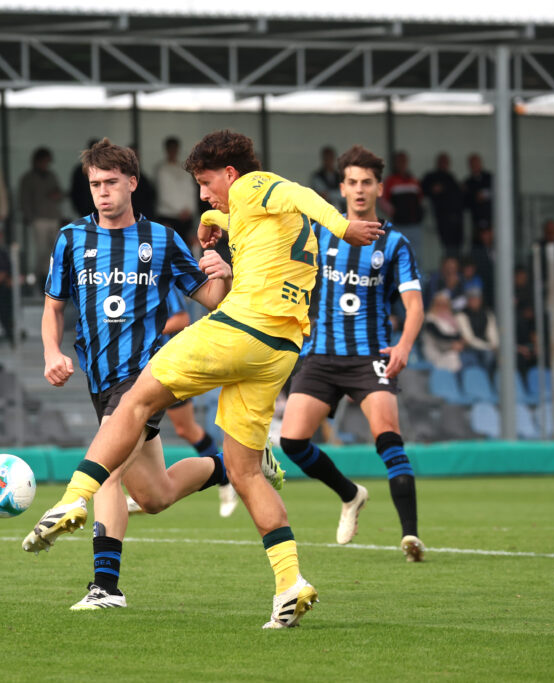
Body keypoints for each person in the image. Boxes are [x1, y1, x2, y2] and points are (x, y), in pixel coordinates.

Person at [23, 130, 381, 628]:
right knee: (233, 474)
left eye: (206, 184)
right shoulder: (251, 212)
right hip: (280, 348)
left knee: (134, 402)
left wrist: (346, 228)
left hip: (239, 328)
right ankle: (290, 584)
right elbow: (245, 220)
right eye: (94, 183)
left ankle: (72, 503)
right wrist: (216, 226)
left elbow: (297, 196)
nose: (202, 195)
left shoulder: (256, 186)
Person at [29, 138, 238, 611]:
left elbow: (209, 299)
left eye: (110, 183)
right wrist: (49, 353)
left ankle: (106, 588)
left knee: (104, 471)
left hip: (146, 376)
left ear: (132, 183)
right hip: (99, 380)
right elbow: (52, 307)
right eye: (94, 184)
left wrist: (223, 269)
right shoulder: (70, 239)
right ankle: (238, 465)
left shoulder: (160, 239)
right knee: (156, 494)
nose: (102, 192)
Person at [278, 144, 425, 559]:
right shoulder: (320, 231)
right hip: (321, 355)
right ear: (341, 188)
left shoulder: (395, 244)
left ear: (379, 187)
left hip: (370, 357)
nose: (359, 190)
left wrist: (404, 346)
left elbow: (414, 306)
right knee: (291, 442)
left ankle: (410, 536)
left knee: (389, 440)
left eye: (367, 182)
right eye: (352, 182)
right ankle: (349, 494)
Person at [147, 289, 239, 518]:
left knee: (185, 428)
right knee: (137, 424)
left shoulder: (159, 280)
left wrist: (143, 330)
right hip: (136, 367)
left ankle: (229, 473)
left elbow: (182, 319)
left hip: (165, 365)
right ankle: (134, 488)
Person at [18, 147, 63, 286]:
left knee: (55, 250)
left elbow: (60, 194)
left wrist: (57, 195)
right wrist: (29, 216)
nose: (46, 164)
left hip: (53, 217)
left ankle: (51, 277)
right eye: (44, 161)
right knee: (41, 251)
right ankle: (40, 279)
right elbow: (24, 199)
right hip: (38, 218)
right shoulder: (28, 178)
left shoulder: (51, 175)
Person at [153, 136, 196, 245]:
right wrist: (179, 211)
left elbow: (190, 190)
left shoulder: (184, 169)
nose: (173, 151)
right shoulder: (161, 169)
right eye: (170, 148)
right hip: (168, 216)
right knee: (169, 246)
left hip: (186, 216)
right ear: (166, 150)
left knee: (186, 247)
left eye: (175, 148)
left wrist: (189, 209)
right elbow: (164, 194)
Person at [382, 151, 423, 258]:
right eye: (399, 161)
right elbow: (382, 200)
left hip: (415, 224)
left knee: (416, 256)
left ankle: (417, 275)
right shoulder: (390, 180)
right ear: (395, 163)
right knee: (400, 254)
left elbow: (420, 199)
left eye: (404, 161)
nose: (402, 163)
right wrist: (395, 212)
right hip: (400, 225)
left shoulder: (413, 180)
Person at [421, 152, 464, 255]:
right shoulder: (431, 177)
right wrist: (434, 190)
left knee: (456, 245)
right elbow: (422, 191)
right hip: (440, 219)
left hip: (456, 218)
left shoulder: (451, 177)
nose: (444, 164)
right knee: (442, 247)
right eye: (442, 162)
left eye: (446, 162)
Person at [455, 286, 499, 369]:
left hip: (487, 347)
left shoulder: (487, 314)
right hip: (470, 348)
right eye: (472, 299)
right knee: (486, 355)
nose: (474, 301)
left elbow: (492, 333)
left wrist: (495, 346)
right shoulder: (461, 315)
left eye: (477, 299)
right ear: (468, 301)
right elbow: (469, 339)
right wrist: (488, 347)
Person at [421, 291, 463, 372]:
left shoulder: (451, 319)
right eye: (439, 304)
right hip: (436, 352)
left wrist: (460, 344)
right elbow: (438, 339)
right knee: (453, 358)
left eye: (445, 304)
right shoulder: (430, 320)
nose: (442, 307)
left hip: (452, 351)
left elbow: (458, 336)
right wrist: (452, 346)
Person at [69, 138, 100, 217]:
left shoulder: (107, 169)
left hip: (101, 210)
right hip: (85, 210)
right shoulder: (80, 170)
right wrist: (79, 209)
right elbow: (75, 191)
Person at [463, 153, 493, 233]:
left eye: (476, 163)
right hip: (476, 218)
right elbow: (466, 202)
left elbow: (497, 192)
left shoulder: (489, 177)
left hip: (491, 216)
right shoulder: (468, 182)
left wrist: (484, 195)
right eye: (472, 164)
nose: (474, 166)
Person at [309, 145, 342, 211]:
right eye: (326, 158)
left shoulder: (340, 176)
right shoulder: (317, 176)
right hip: (322, 212)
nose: (328, 160)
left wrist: (329, 194)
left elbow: (345, 195)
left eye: (330, 157)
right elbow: (322, 195)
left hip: (341, 212)